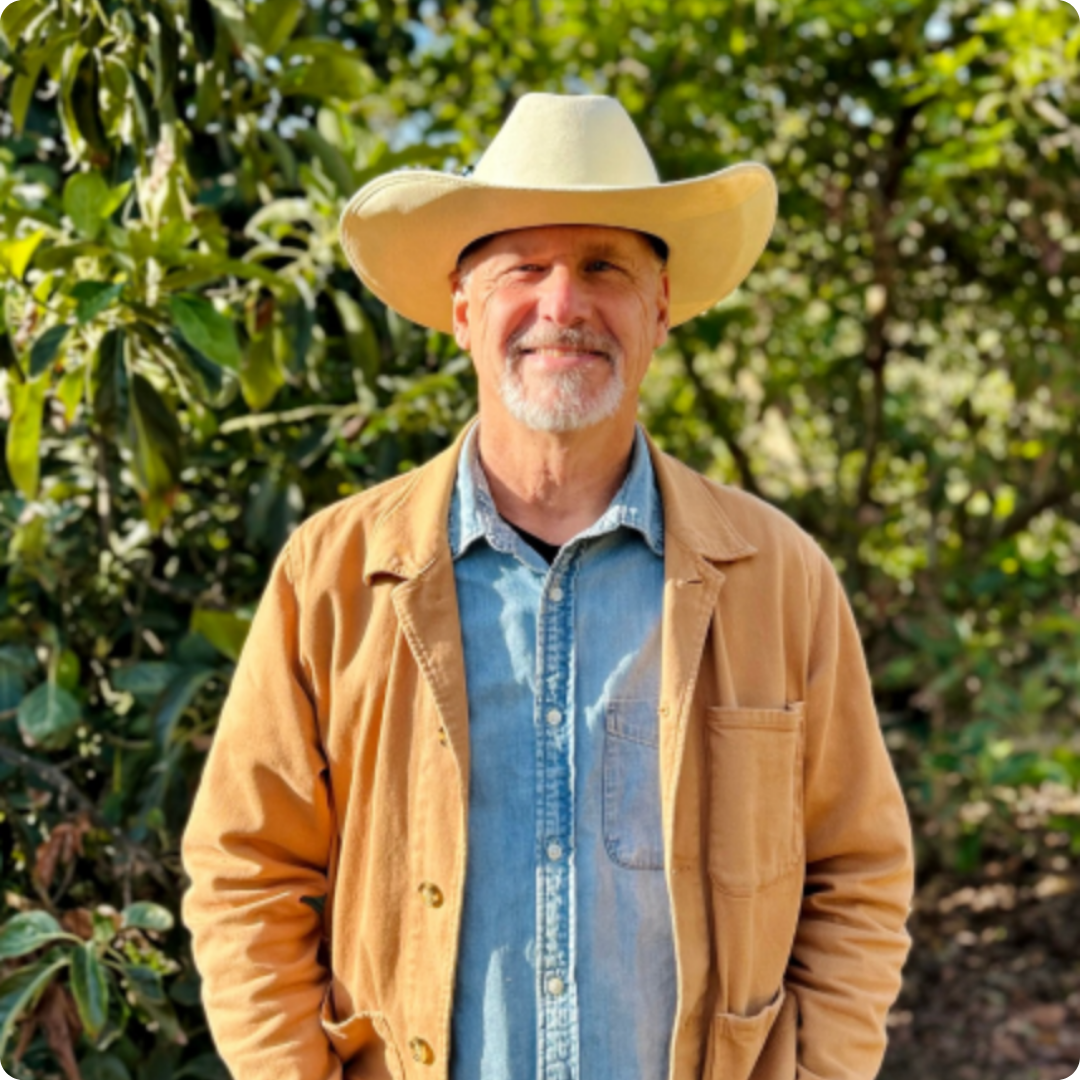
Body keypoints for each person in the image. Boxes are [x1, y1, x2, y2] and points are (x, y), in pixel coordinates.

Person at [181, 93, 914, 1080]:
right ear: (463, 310)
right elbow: (244, 872)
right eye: (524, 267)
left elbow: (857, 873)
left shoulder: (777, 578)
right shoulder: (335, 574)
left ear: (659, 309)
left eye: (605, 266)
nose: (563, 304)